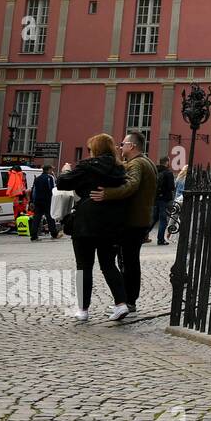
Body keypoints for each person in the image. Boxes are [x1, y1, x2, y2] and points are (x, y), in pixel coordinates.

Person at [57, 134, 130, 321]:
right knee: (108, 265)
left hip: (86, 222)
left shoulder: (87, 167)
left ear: (95, 150)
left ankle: (83, 309)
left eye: (90, 149)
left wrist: (66, 171)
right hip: (111, 222)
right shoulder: (119, 168)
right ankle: (121, 304)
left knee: (84, 266)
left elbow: (63, 183)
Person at [90, 131, 157, 314]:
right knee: (131, 261)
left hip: (132, 221)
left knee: (128, 262)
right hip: (141, 220)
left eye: (123, 144)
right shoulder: (148, 162)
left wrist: (107, 194)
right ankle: (129, 300)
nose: (120, 147)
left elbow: (131, 185)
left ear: (132, 146)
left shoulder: (136, 164)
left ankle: (128, 301)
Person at [30, 165, 58, 242]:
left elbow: (34, 191)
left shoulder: (37, 178)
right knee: (50, 217)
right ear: (48, 170)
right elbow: (52, 189)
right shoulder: (50, 178)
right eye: (51, 169)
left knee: (36, 218)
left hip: (38, 201)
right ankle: (54, 234)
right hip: (47, 201)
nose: (52, 171)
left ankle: (33, 236)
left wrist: (32, 201)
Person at [153, 157, 176, 246]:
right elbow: (171, 187)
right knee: (163, 220)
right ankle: (161, 239)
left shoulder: (155, 171)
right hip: (164, 198)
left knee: (154, 218)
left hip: (155, 198)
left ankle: (143, 236)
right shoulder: (168, 173)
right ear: (167, 162)